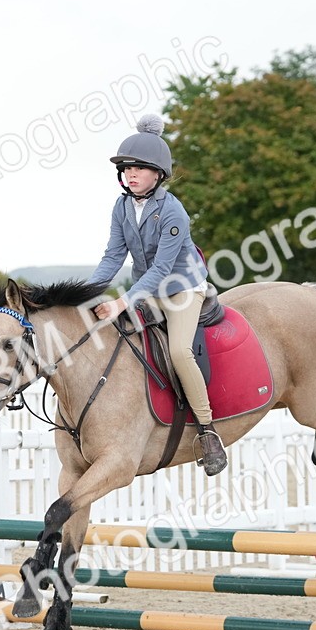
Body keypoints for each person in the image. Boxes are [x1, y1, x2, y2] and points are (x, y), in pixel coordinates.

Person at [86, 114, 226, 476]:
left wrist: (121, 301)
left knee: (179, 351)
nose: (131, 174)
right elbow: (113, 257)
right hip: (145, 288)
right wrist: (86, 292)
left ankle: (208, 430)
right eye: (127, 168)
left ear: (158, 174)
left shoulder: (173, 210)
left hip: (181, 288)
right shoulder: (120, 207)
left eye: (140, 169)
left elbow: (163, 270)